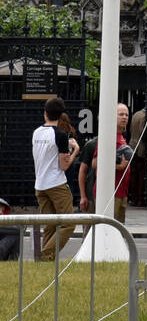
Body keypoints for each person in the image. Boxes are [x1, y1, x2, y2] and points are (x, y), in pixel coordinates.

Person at [32, 97, 80, 262]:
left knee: (50, 225)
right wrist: (75, 150)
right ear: (61, 115)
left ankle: (45, 262)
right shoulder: (60, 135)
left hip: (40, 184)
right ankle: (47, 254)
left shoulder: (37, 132)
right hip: (56, 183)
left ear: (45, 113)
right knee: (68, 223)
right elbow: (64, 165)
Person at [78, 104, 132, 224]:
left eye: (126, 114)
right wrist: (119, 166)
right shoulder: (106, 137)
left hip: (121, 192)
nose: (124, 117)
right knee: (106, 229)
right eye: (121, 114)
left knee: (117, 230)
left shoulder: (121, 137)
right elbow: (94, 164)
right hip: (109, 193)